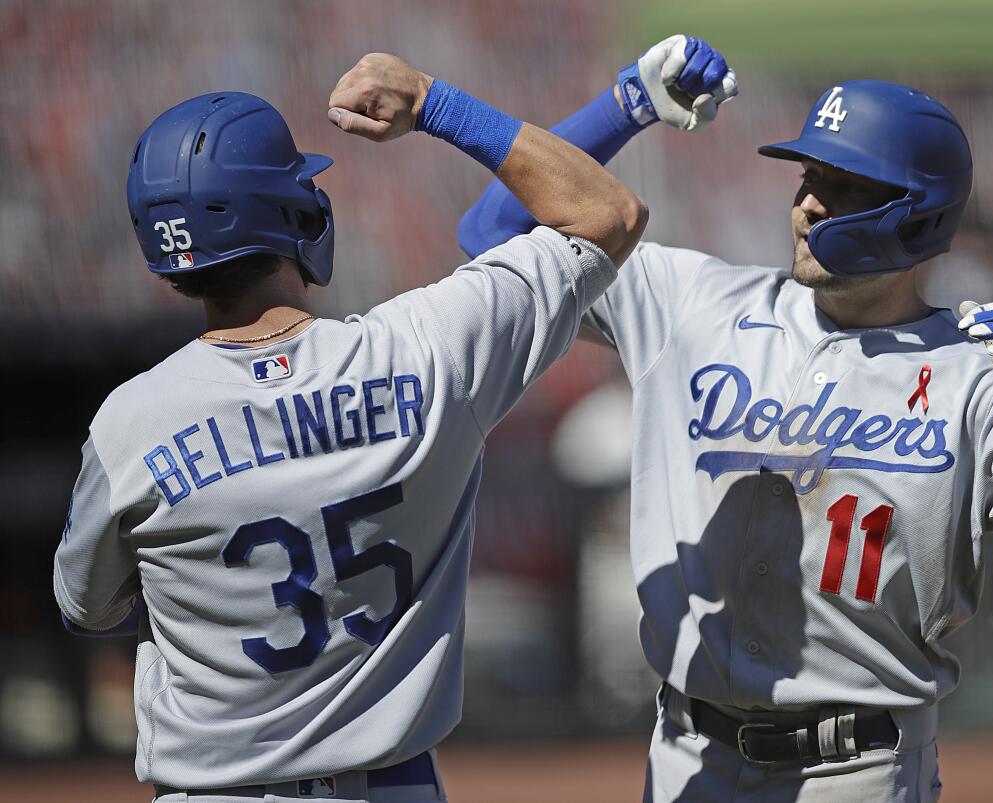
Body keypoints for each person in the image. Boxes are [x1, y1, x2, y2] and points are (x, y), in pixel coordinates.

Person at [457, 34, 993, 802]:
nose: (809, 200)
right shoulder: (689, 301)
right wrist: (627, 108)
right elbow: (496, 238)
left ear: (916, 216)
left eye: (844, 185)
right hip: (689, 752)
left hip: (858, 767)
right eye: (809, 175)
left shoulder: (978, 371)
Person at [51, 51, 646, 803]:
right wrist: (433, 102)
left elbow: (87, 606)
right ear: (299, 215)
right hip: (389, 785)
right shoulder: (430, 348)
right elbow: (607, 211)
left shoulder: (128, 423)